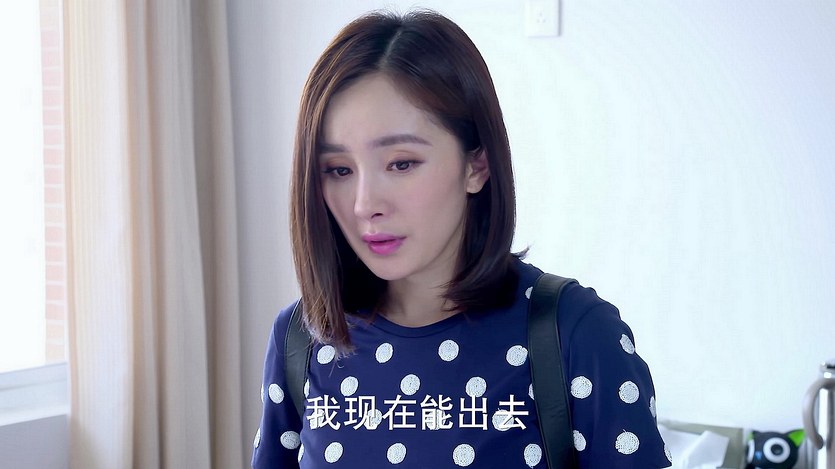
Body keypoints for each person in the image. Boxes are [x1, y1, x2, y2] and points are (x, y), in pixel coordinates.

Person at [253, 9, 671, 469]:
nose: (364, 204)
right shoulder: (300, 339)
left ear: (477, 165)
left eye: (401, 163)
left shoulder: (575, 333)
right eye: (338, 170)